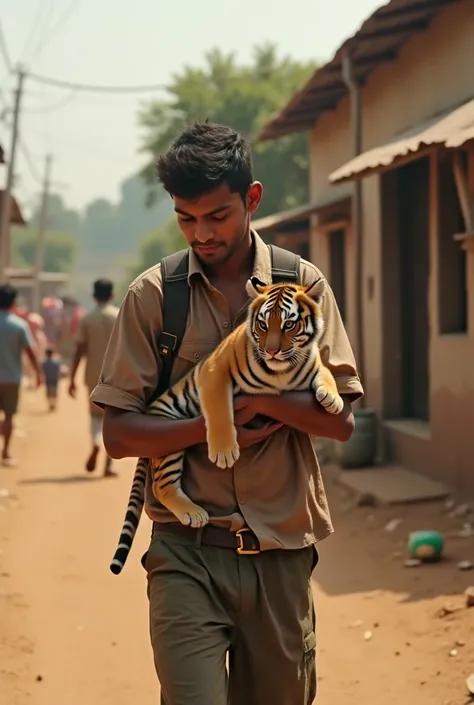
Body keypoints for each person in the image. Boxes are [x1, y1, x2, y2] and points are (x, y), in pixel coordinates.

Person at [91, 122, 364, 705]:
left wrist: (262, 400)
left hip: (281, 553)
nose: (202, 233)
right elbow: (117, 434)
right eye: (186, 218)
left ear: (252, 199)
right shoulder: (154, 296)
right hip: (184, 552)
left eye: (217, 216)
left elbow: (340, 420)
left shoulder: (303, 285)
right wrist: (212, 425)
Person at [68, 279, 119, 477]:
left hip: (93, 374)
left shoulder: (87, 319)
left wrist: (72, 377)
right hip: (118, 374)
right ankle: (108, 465)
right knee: (113, 417)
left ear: (94, 296)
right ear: (112, 295)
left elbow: (79, 350)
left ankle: (97, 442)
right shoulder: (119, 316)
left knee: (96, 416)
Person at [0, 284, 42, 467]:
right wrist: (38, 373)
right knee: (9, 416)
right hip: (11, 378)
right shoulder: (19, 325)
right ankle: (6, 452)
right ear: (14, 302)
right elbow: (30, 352)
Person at [42, 347, 62, 412]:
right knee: (54, 392)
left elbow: (42, 371)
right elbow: (59, 371)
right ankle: (53, 404)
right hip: (55, 379)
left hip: (48, 379)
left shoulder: (44, 363)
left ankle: (51, 404)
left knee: (49, 392)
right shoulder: (56, 362)